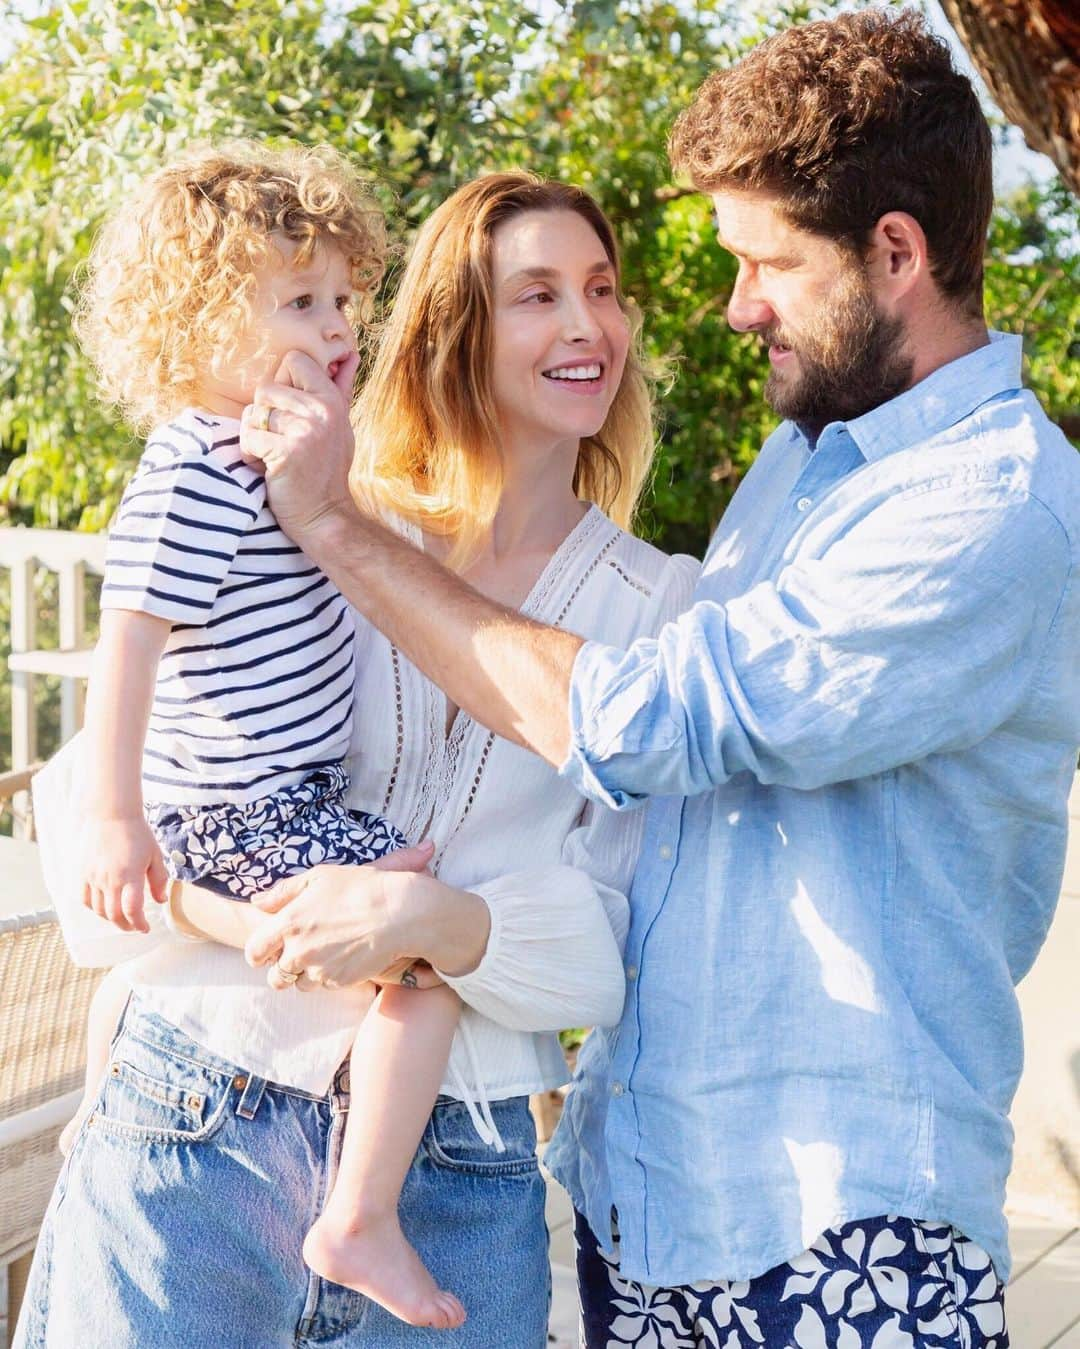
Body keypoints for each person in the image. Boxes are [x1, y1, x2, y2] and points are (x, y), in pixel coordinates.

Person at [233, 11, 1080, 1347]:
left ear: (896, 255)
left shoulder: (990, 510)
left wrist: (333, 529)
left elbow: (645, 720)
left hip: (840, 1231)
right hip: (649, 1201)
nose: (737, 305)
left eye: (765, 264)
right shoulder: (810, 460)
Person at [16, 169, 697, 1349]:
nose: (588, 324)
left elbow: (617, 953)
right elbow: (97, 836)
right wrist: (254, 917)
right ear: (454, 325)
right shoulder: (305, 507)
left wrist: (431, 920)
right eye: (536, 293)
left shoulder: (661, 609)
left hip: (457, 1174)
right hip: (194, 1111)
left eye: (603, 290)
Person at [61, 137, 479, 1330]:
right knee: (426, 961)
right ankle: (360, 1217)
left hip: (276, 796)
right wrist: (115, 811)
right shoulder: (198, 465)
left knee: (388, 921)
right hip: (243, 804)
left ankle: (189, 1028)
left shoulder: (268, 453)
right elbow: (130, 632)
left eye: (344, 295)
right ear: (196, 328)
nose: (338, 322)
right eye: (299, 300)